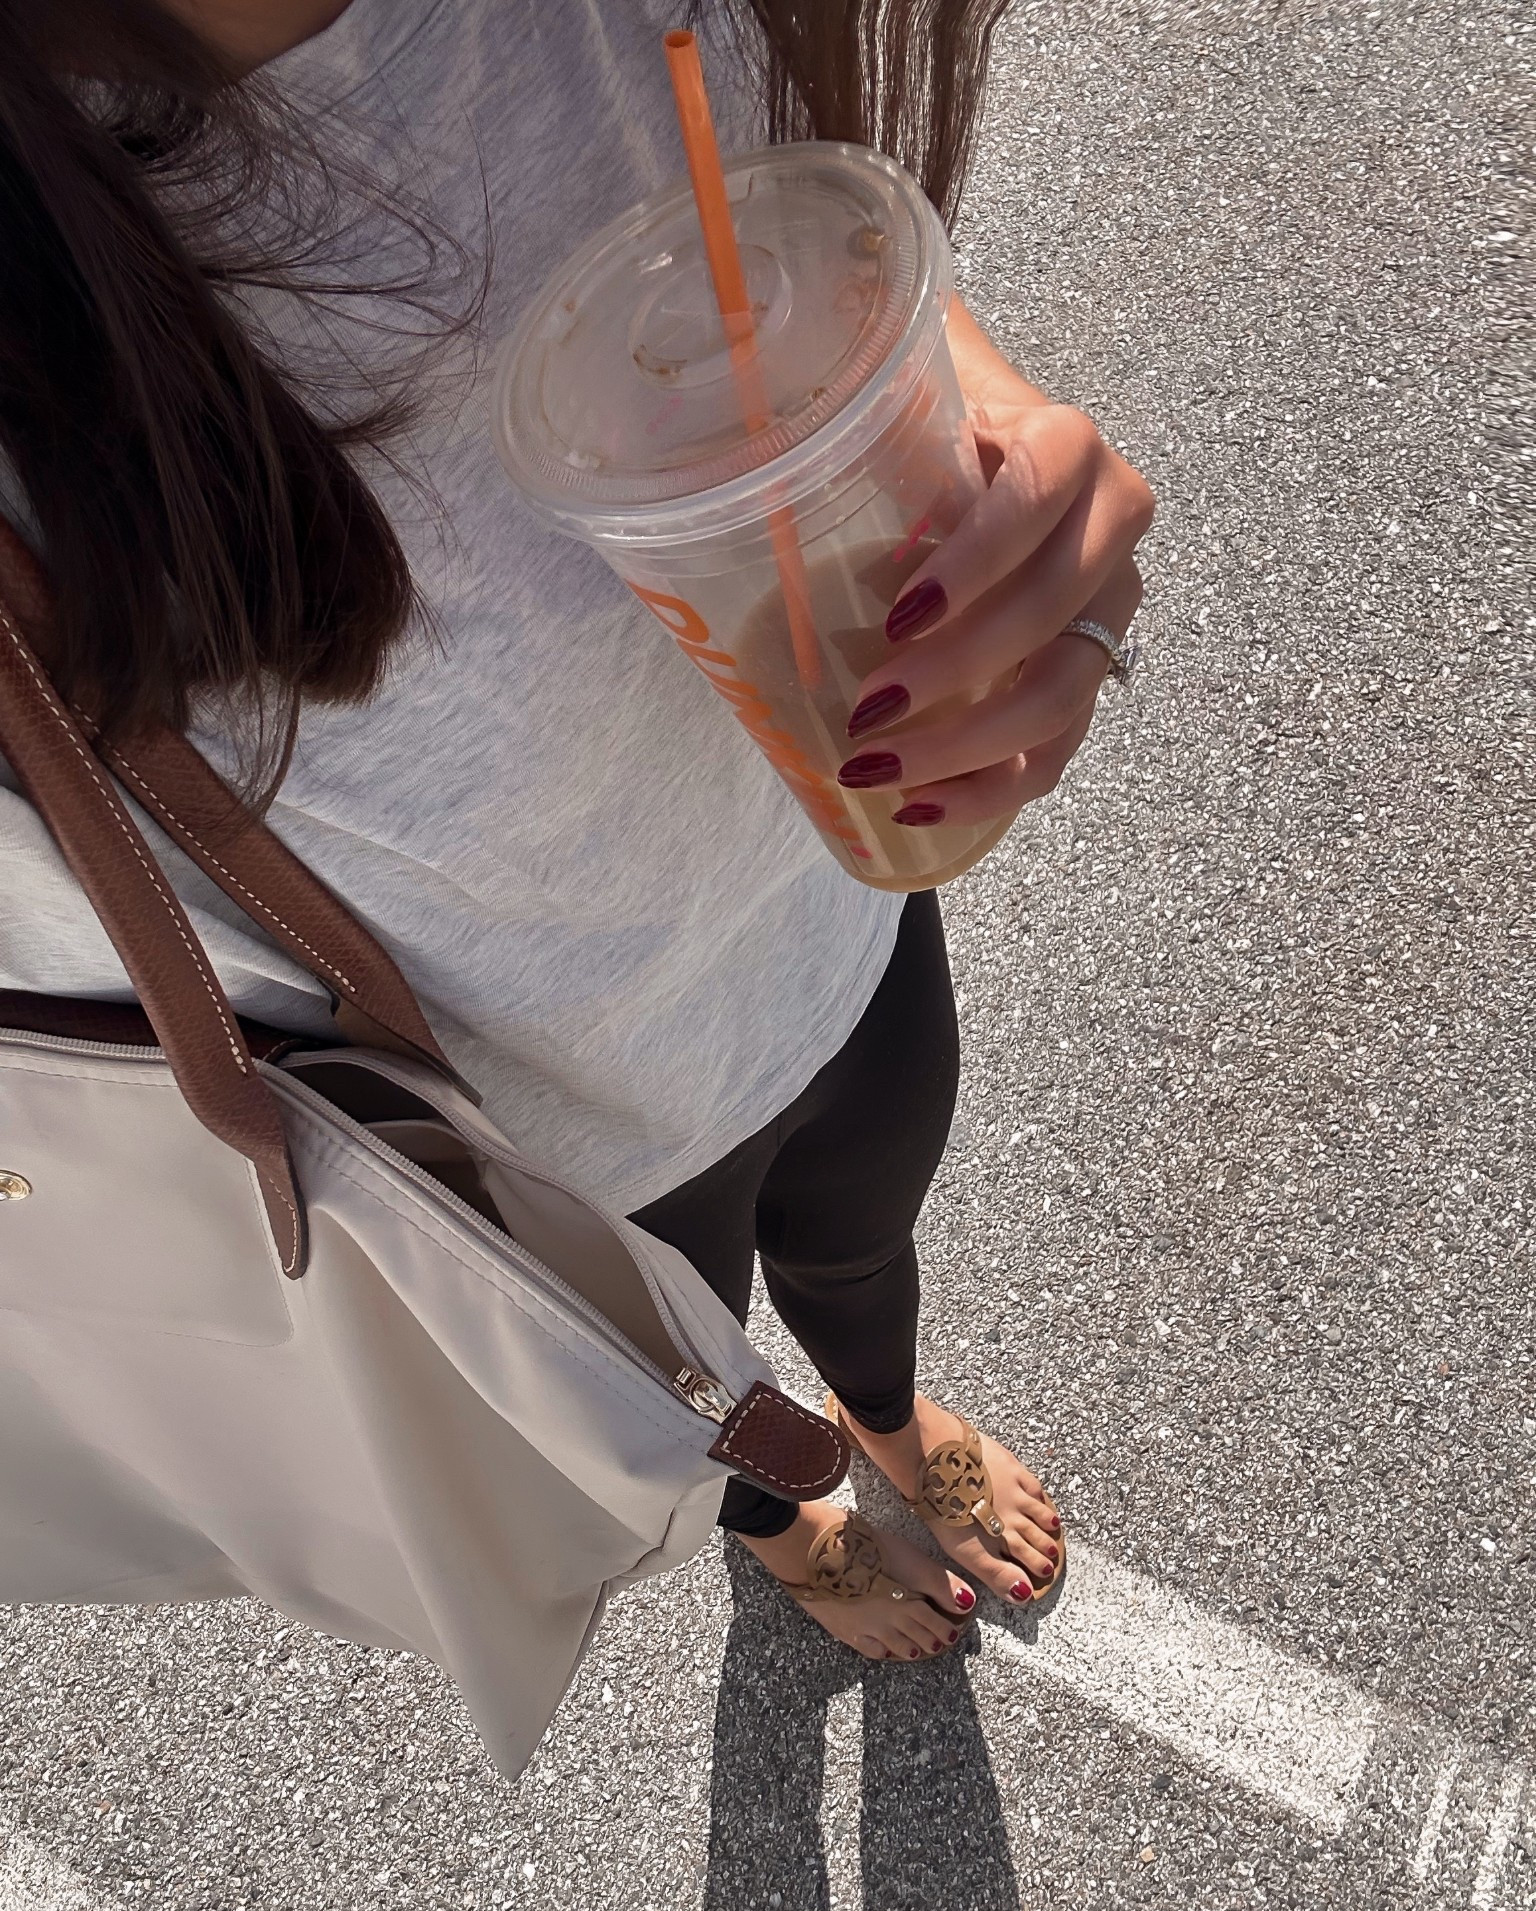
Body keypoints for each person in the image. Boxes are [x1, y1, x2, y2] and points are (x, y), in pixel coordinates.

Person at [0, 0, 1153, 1664]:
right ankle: (787, 1519)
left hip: (827, 903)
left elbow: (773, 209)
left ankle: (889, 1420)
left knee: (863, 1232)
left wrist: (954, 413)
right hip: (532, 1114)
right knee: (688, 1384)